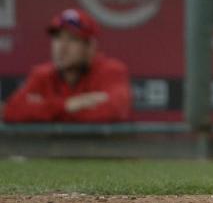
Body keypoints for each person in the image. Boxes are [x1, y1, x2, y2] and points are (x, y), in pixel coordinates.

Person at [2, 8, 132, 122]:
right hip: (51, 150)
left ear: (90, 47)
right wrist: (66, 105)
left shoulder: (111, 71)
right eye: (57, 38)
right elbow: (11, 111)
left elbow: (114, 111)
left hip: (102, 148)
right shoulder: (42, 74)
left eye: (72, 39)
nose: (61, 47)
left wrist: (44, 110)